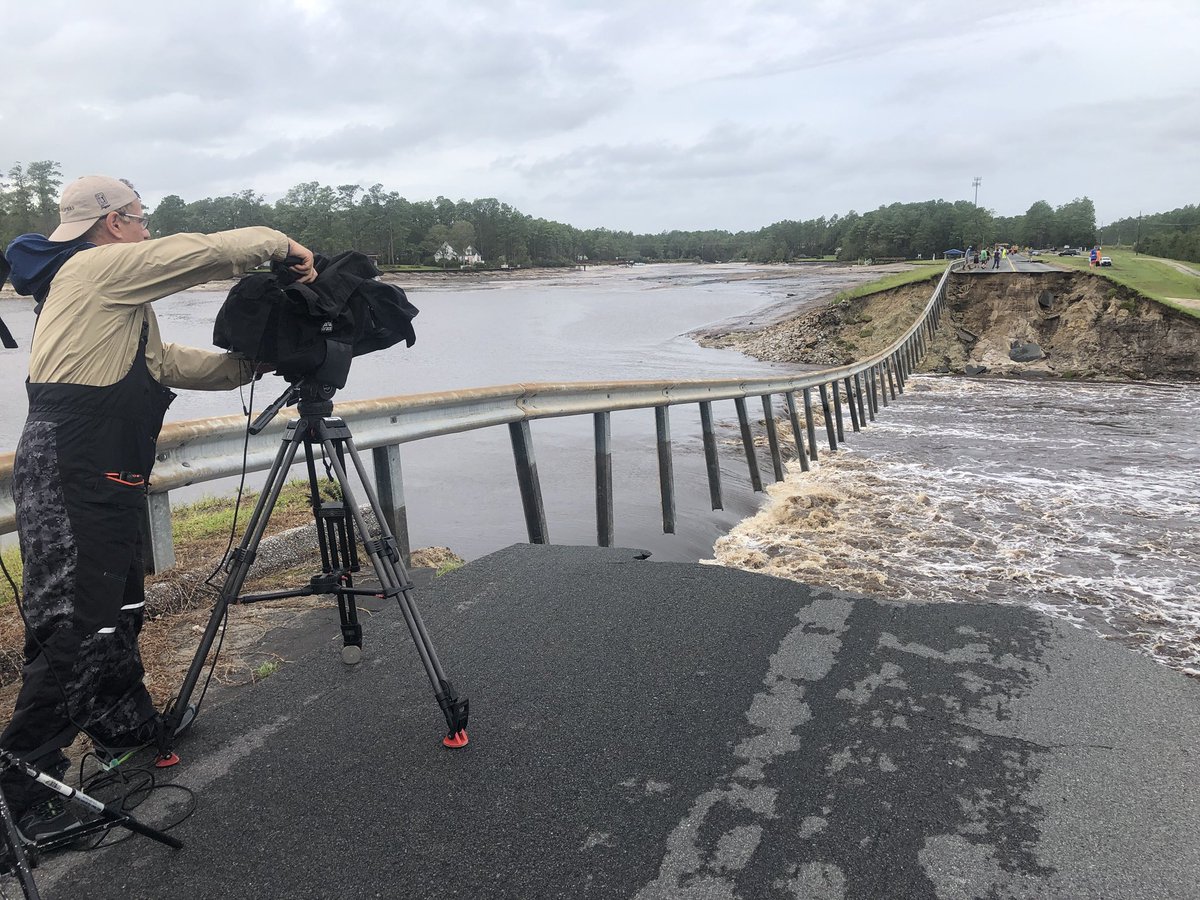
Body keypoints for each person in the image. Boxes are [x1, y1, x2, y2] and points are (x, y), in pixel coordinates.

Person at [0, 175, 316, 843]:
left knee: (118, 608)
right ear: (114, 223)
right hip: (72, 473)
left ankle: (122, 725)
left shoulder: (105, 297)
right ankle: (21, 792)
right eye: (141, 218)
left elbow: (163, 360)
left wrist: (252, 364)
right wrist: (279, 242)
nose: (146, 228)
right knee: (73, 626)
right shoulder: (94, 267)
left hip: (102, 473)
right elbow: (198, 252)